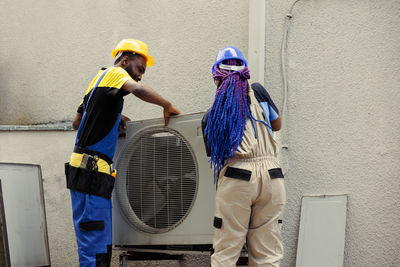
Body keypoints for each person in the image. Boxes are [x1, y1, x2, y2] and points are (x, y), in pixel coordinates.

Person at [64, 39, 180, 266]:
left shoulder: (96, 81)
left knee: (93, 240)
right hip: (92, 172)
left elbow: (77, 122)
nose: (139, 76)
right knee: (96, 244)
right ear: (125, 60)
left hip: (83, 172)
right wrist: (167, 105)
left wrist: (114, 117)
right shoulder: (115, 73)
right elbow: (138, 90)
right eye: (139, 69)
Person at [202, 46, 286, 267]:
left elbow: (214, 153)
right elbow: (277, 124)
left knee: (226, 250)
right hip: (273, 176)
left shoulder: (212, 116)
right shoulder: (258, 92)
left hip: (237, 177)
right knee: (268, 252)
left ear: (215, 77)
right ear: (245, 73)